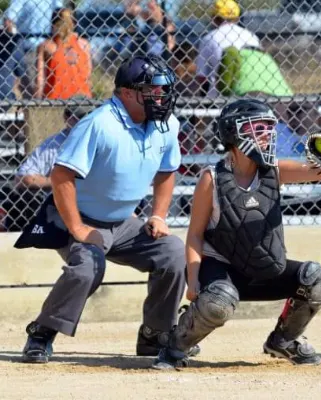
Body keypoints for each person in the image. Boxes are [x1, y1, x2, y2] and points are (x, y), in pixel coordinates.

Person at [20, 54, 199, 363]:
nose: (161, 97)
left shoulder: (166, 123)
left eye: (163, 90)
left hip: (125, 220)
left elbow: (168, 171)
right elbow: (61, 175)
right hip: (81, 216)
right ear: (126, 93)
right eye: (152, 91)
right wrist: (77, 228)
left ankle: (154, 335)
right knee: (89, 266)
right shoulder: (99, 124)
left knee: (172, 253)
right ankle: (42, 332)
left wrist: (157, 214)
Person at [152, 98, 321, 370]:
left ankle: (284, 341)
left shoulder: (273, 170)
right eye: (258, 128)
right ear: (233, 132)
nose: (268, 134)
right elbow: (195, 234)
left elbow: (319, 173)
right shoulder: (212, 178)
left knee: (316, 280)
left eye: (269, 128)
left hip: (263, 268)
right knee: (217, 302)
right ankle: (175, 347)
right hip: (223, 270)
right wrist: (192, 280)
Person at [2, 97, 93, 232]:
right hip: (59, 205)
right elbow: (22, 178)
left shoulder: (100, 140)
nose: (86, 123)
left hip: (94, 202)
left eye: (90, 118)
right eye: (80, 118)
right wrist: (58, 181)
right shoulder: (53, 144)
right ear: (67, 118)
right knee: (24, 201)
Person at [195, 0, 261, 97]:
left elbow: (202, 77)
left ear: (214, 18)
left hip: (218, 98)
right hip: (252, 93)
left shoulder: (209, 38)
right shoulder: (252, 37)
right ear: (237, 17)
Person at [3, 0, 64, 98]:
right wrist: (15, 43)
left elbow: (61, 14)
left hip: (50, 48)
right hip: (29, 48)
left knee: (51, 90)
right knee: (32, 93)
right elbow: (8, 21)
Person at [35, 8, 92, 99]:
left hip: (54, 100)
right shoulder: (84, 44)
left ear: (53, 24)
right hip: (82, 98)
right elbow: (88, 75)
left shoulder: (47, 46)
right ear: (74, 24)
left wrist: (37, 101)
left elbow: (39, 79)